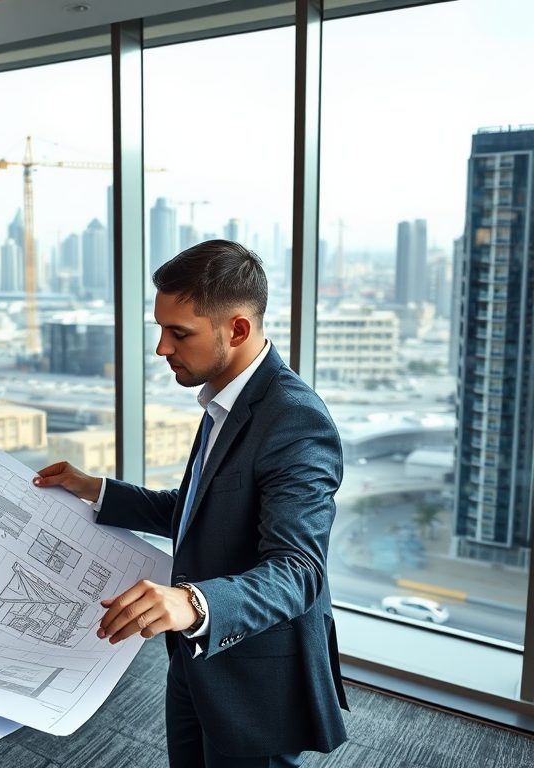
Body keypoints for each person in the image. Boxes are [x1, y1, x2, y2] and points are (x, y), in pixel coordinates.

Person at [34, 240, 348, 767]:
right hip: (195, 656)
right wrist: (97, 490)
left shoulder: (296, 422)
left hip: (252, 675)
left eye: (179, 333)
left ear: (238, 330)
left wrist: (193, 603)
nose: (161, 348)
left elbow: (298, 572)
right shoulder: (225, 399)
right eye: (161, 329)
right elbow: (201, 511)